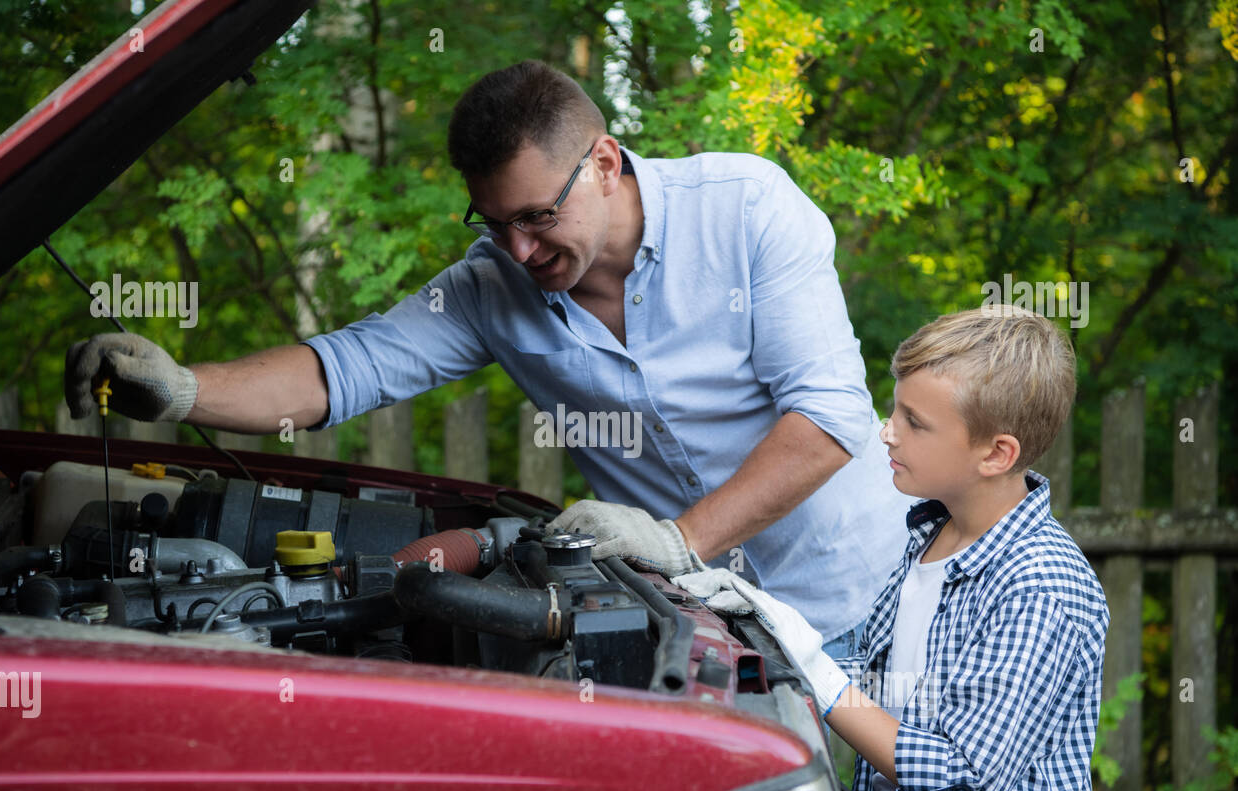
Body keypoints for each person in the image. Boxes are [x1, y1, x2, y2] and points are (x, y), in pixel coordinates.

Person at [63, 59, 911, 652]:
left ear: (605, 163)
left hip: (871, 601)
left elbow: (829, 416)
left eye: (538, 217)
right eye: (492, 223)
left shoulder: (749, 210)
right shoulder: (487, 288)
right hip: (709, 634)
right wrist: (180, 388)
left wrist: (679, 540)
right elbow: (342, 369)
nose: (518, 249)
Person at [681, 305, 1109, 791]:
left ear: (996, 454)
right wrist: (768, 635)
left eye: (915, 422)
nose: (885, 432)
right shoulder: (929, 536)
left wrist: (819, 672)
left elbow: (962, 781)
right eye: (894, 410)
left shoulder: (1041, 588)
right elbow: (884, 695)